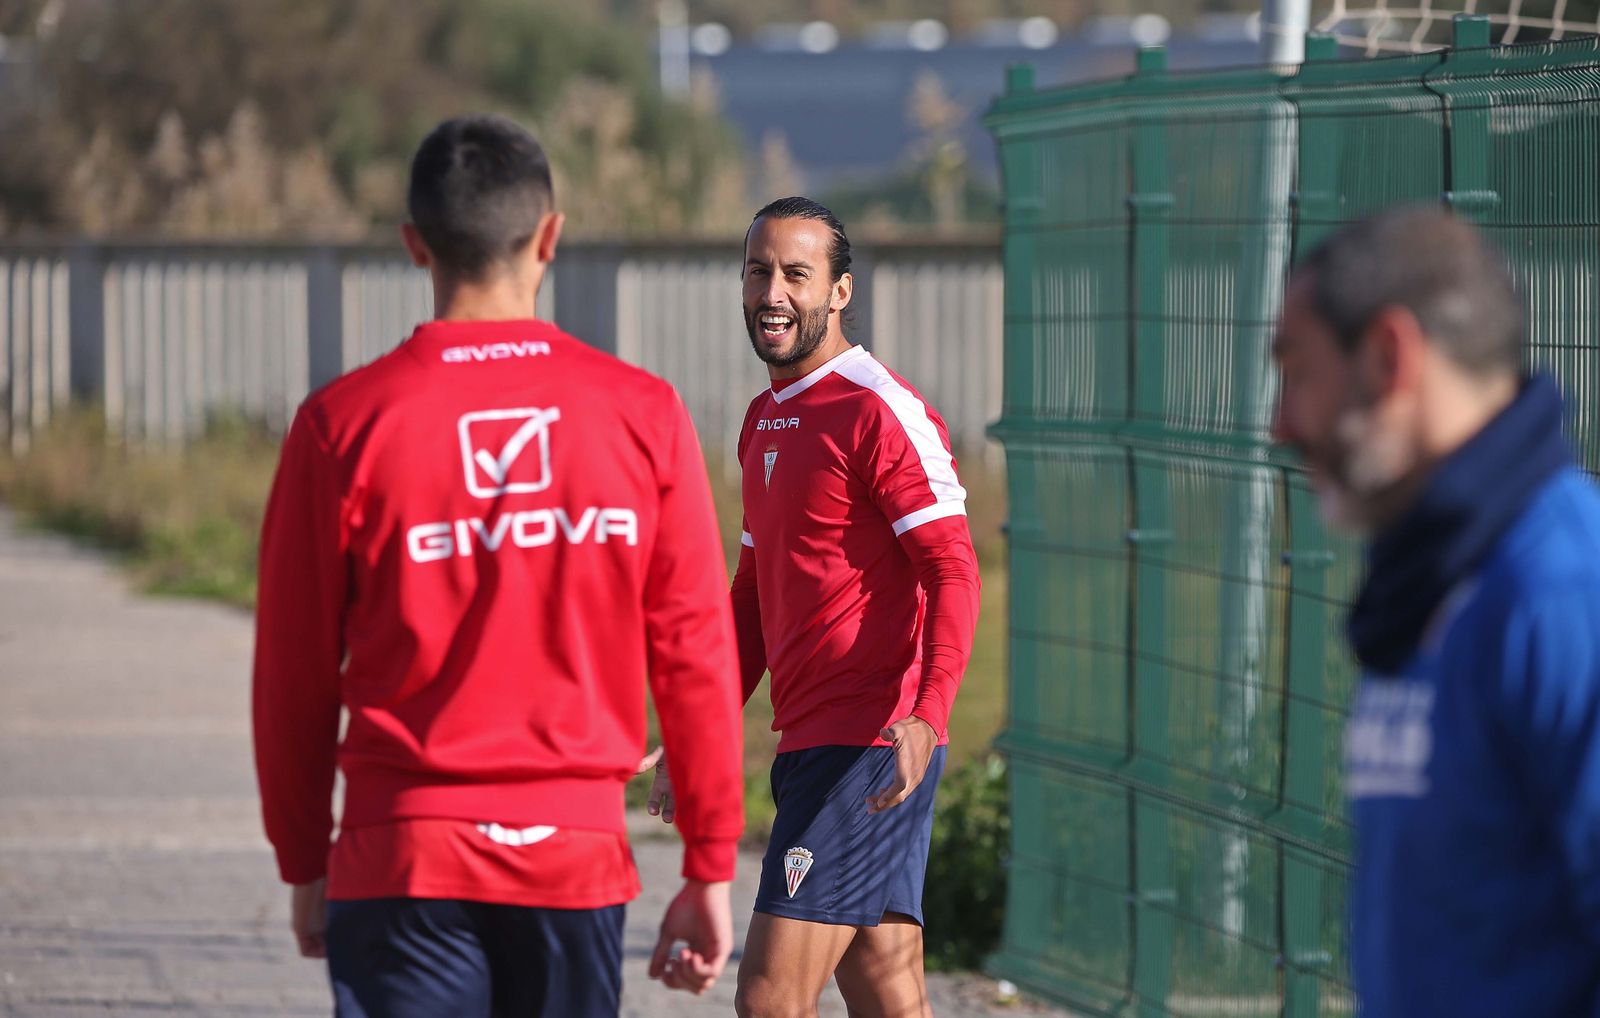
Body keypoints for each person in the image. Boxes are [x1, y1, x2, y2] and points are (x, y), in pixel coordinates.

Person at [251, 114, 745, 1017]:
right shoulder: (642, 416)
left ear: (413, 245)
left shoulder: (341, 427)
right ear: (549, 236)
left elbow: (290, 676)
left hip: (399, 855)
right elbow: (695, 651)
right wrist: (709, 863)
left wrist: (305, 859)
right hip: (574, 857)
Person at [649, 197, 982, 1018]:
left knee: (769, 998)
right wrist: (696, 736)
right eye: (759, 271)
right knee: (886, 997)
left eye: (797, 274)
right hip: (812, 744)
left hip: (868, 748)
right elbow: (754, 601)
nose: (773, 292)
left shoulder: (877, 409)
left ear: (838, 292)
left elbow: (954, 570)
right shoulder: (763, 421)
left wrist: (927, 713)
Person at [1271, 206, 1600, 1017]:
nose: (1280, 425)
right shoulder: (1429, 586)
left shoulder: (1562, 593)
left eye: (1296, 371)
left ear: (1387, 357)